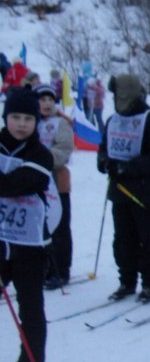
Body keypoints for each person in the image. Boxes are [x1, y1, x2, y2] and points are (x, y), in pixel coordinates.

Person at [0, 87, 56, 362]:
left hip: (30, 246)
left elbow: (13, 185)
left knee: (31, 314)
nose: (21, 124)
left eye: (28, 118)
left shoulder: (41, 154)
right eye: (15, 117)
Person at [98, 74, 150, 303]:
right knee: (123, 239)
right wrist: (104, 161)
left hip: (142, 192)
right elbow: (104, 147)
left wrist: (129, 167)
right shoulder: (113, 120)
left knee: (148, 238)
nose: (118, 99)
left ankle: (149, 282)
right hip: (118, 191)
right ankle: (126, 281)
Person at [35, 85, 75, 290]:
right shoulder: (30, 121)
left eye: (50, 100)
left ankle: (61, 269)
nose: (47, 104)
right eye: (43, 100)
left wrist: (41, 158)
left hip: (57, 182)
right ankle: (42, 267)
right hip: (34, 183)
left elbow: (65, 149)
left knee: (60, 227)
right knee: (39, 227)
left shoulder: (61, 123)